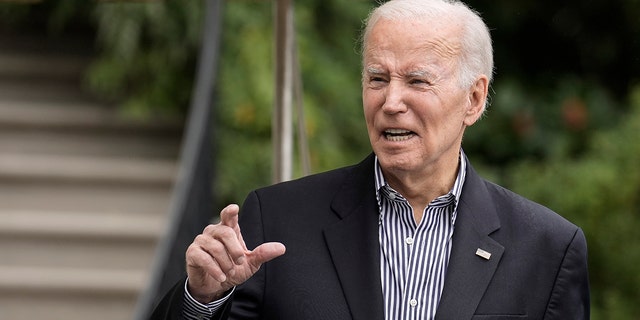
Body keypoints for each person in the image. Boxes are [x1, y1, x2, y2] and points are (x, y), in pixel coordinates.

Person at [150, 0, 590, 319]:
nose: (391, 101)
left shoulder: (548, 249)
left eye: (417, 81)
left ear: (474, 100)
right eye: (377, 78)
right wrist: (201, 300)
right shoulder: (276, 221)